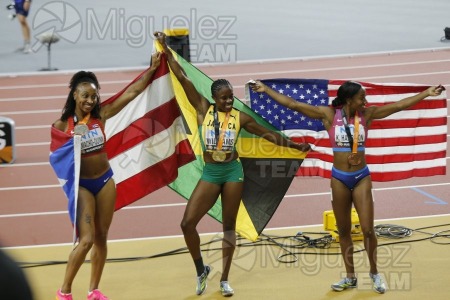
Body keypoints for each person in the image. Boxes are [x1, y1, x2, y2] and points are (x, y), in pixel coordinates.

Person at [154, 31, 311, 297]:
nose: (230, 101)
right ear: (215, 97)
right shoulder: (203, 109)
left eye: (231, 97)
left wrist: (295, 146)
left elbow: (267, 135)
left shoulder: (240, 118)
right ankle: (201, 269)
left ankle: (225, 278)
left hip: (232, 173)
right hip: (211, 173)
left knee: (228, 227)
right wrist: (166, 50)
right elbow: (182, 78)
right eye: (225, 98)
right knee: (187, 223)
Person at [250, 80, 444, 294]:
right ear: (349, 99)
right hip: (339, 178)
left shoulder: (366, 116)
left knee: (369, 230)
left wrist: (426, 92)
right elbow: (293, 104)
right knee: (343, 231)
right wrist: (266, 90)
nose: (366, 101)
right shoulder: (329, 115)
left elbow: (399, 106)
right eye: (362, 98)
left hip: (361, 177)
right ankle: (350, 277)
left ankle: (374, 273)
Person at [52, 52, 162, 300]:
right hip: (82, 186)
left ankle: (94, 291)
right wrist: (73, 138)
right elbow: (55, 158)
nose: (90, 100)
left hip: (104, 181)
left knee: (101, 237)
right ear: (75, 96)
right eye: (85, 96)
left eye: (93, 96)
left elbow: (131, 93)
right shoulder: (62, 125)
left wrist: (152, 68)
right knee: (86, 239)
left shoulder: (101, 115)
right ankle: (64, 291)